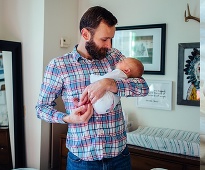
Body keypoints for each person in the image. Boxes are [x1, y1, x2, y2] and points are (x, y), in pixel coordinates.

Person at [35, 6, 149, 170]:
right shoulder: (59, 66)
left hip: (119, 158)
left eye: (111, 39)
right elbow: (41, 108)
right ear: (85, 34)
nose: (109, 45)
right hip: (82, 162)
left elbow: (143, 88)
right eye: (104, 39)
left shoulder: (115, 57)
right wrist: (68, 118)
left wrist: (110, 83)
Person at [74, 58, 144, 114]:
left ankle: (81, 104)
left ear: (126, 70)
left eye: (122, 61)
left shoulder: (118, 72)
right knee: (95, 99)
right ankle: (84, 106)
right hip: (109, 106)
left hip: (106, 101)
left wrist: (93, 77)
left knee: (91, 92)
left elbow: (102, 80)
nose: (119, 61)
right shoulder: (125, 78)